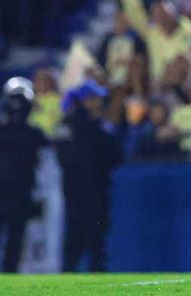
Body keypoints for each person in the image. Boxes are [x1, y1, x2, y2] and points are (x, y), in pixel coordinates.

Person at [56, 80, 122, 272]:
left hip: (89, 190)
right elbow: (65, 157)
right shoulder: (79, 125)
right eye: (93, 98)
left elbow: (117, 155)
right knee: (82, 241)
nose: (98, 102)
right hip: (83, 190)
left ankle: (78, 278)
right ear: (84, 100)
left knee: (91, 242)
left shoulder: (96, 125)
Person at [0, 77, 48, 273]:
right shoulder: (34, 134)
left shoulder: (34, 134)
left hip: (20, 191)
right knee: (15, 240)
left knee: (16, 240)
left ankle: (10, 274)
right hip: (19, 191)